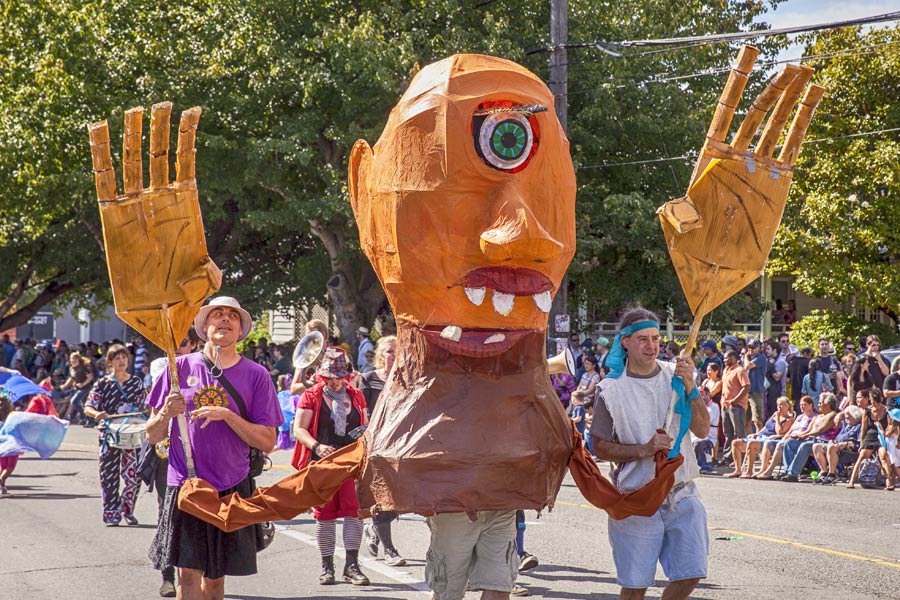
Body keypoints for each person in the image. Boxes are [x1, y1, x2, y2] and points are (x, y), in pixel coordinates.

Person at [146, 297, 283, 600]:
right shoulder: (177, 367)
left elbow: (268, 442)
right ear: (204, 326)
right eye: (217, 315)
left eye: (232, 316)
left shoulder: (256, 375)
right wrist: (167, 412)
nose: (224, 320)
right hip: (186, 485)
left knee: (217, 580)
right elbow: (152, 435)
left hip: (232, 485)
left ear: (240, 329)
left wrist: (229, 416)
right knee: (188, 576)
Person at [591, 307, 710, 600]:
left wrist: (691, 387)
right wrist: (644, 449)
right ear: (625, 342)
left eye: (656, 338)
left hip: (682, 491)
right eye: (642, 339)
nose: (651, 345)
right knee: (635, 586)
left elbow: (703, 429)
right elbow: (600, 446)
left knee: (691, 574)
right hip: (636, 497)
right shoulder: (610, 389)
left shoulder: (676, 375)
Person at [291, 346, 370, 586]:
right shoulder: (311, 395)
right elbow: (299, 429)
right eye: (329, 378)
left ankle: (352, 566)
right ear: (321, 376)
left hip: (352, 464)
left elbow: (365, 424)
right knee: (324, 516)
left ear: (346, 375)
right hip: (322, 464)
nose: (335, 382)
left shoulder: (356, 395)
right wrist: (316, 446)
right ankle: (327, 567)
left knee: (354, 514)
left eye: (339, 377)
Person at [145, 327, 201, 598]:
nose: (177, 348)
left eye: (183, 342)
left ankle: (200, 574)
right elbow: (154, 411)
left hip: (198, 456)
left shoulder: (204, 368)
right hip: (166, 453)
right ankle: (168, 575)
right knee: (166, 514)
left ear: (194, 344)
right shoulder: (162, 366)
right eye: (172, 344)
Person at [83, 344, 146, 525]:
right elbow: (88, 407)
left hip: (132, 434)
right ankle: (111, 513)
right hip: (109, 435)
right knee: (108, 475)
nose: (121, 361)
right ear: (109, 362)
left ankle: (127, 509)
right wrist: (97, 414)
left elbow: (143, 408)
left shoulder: (136, 382)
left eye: (124, 357)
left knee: (134, 475)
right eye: (117, 358)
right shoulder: (103, 383)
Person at [358, 335, 406, 567]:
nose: (393, 356)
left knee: (397, 497)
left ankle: (374, 530)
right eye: (388, 351)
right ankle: (390, 550)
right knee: (381, 495)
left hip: (400, 446)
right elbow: (361, 414)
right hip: (375, 446)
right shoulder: (368, 380)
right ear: (380, 355)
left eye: (397, 351)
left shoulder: (407, 379)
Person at [724, 396, 793, 478]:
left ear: (788, 406)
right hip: (761, 437)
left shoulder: (789, 419)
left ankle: (749, 471)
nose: (779, 407)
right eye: (778, 405)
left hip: (771, 440)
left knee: (751, 444)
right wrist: (757, 434)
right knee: (735, 443)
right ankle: (738, 470)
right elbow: (765, 427)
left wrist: (778, 418)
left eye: (782, 404)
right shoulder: (775, 414)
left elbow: (779, 432)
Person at [778, 393, 839, 482]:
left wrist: (804, 436)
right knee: (789, 442)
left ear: (828, 404)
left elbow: (820, 430)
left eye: (821, 403)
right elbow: (809, 430)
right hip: (812, 439)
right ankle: (787, 471)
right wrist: (799, 435)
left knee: (805, 446)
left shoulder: (832, 415)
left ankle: (793, 473)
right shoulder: (818, 416)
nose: (818, 405)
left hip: (824, 442)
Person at [753, 396, 816, 480]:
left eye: (804, 405)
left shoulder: (814, 417)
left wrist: (798, 436)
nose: (802, 407)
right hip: (790, 438)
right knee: (770, 443)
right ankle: (766, 470)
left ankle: (772, 471)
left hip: (801, 439)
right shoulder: (799, 417)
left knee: (783, 444)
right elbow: (790, 430)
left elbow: (809, 431)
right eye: (801, 405)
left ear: (811, 405)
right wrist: (783, 437)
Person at [847, 388, 890, 489]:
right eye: (874, 403)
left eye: (878, 404)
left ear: (881, 400)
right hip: (870, 435)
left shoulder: (887, 411)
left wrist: (884, 432)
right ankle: (852, 481)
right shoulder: (867, 411)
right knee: (862, 456)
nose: (876, 406)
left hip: (881, 436)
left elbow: (889, 426)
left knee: (883, 456)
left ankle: (889, 481)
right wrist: (862, 443)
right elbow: (864, 428)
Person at [812, 404, 863, 485]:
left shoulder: (860, 426)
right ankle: (824, 472)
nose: (846, 419)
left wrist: (845, 444)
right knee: (816, 446)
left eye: (848, 417)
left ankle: (832, 474)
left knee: (832, 447)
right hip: (837, 446)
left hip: (850, 451)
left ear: (855, 416)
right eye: (845, 417)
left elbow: (859, 443)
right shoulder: (846, 425)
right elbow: (838, 438)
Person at [721, 350, 749, 466]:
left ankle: (741, 458)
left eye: (726, 358)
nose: (724, 360)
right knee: (728, 433)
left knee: (739, 432)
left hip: (736, 406)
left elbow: (746, 387)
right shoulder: (726, 370)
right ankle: (728, 457)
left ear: (733, 358)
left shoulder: (740, 370)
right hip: (725, 405)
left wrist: (735, 400)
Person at [291, 319, 330, 395]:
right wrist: (308, 382)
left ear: (323, 334)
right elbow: (293, 389)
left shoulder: (335, 354)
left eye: (312, 335)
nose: (308, 340)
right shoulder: (304, 357)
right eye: (307, 337)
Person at [60, 352, 94, 426]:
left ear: (78, 359)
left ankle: (83, 417)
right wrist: (65, 385)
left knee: (74, 401)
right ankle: (90, 421)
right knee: (85, 405)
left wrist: (82, 384)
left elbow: (90, 377)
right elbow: (71, 378)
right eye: (71, 359)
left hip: (86, 388)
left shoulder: (83, 367)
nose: (73, 360)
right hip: (77, 388)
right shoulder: (72, 368)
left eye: (74, 359)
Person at [742, 339, 767, 433]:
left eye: (753, 347)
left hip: (756, 391)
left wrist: (745, 357)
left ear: (758, 348)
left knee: (758, 421)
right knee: (746, 421)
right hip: (746, 391)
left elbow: (748, 365)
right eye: (749, 347)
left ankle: (759, 441)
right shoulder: (748, 358)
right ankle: (749, 441)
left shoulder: (761, 357)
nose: (750, 349)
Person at [0, 395, 19, 494]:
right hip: (12, 444)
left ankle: (2, 486)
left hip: (1, 445)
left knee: (3, 466)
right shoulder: (13, 416)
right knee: (10, 466)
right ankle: (2, 479)